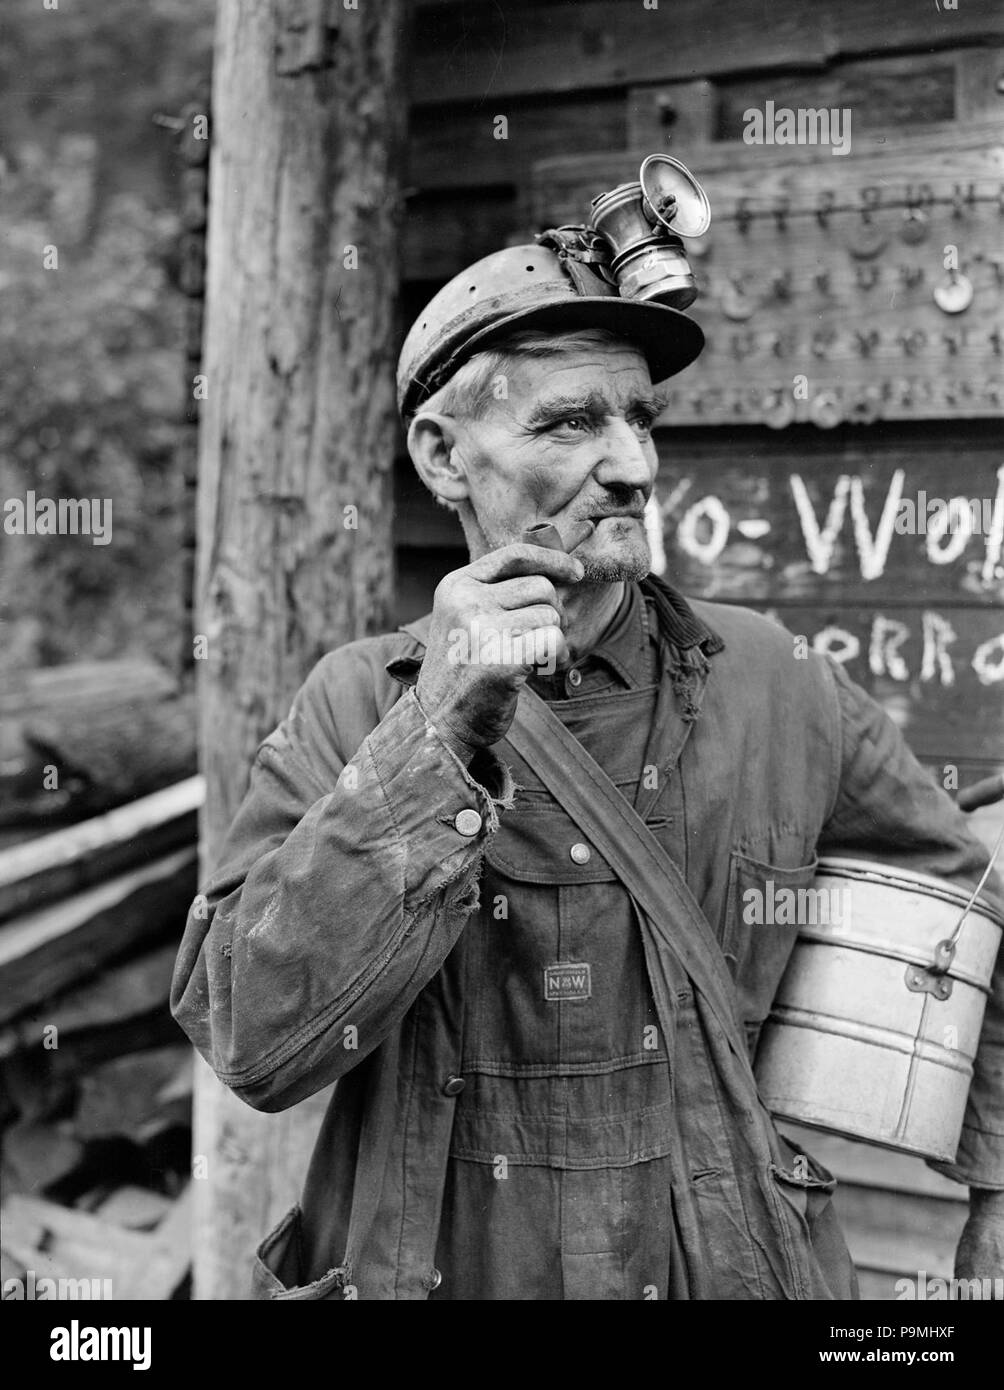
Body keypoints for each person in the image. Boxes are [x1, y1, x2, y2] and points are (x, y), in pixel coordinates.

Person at [171, 238, 1004, 1300]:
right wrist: (430, 736)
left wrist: (993, 1191)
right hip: (436, 1265)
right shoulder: (354, 702)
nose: (633, 466)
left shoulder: (778, 686)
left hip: (721, 1265)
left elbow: (967, 900)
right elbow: (254, 1043)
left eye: (639, 418)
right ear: (440, 456)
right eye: (570, 421)